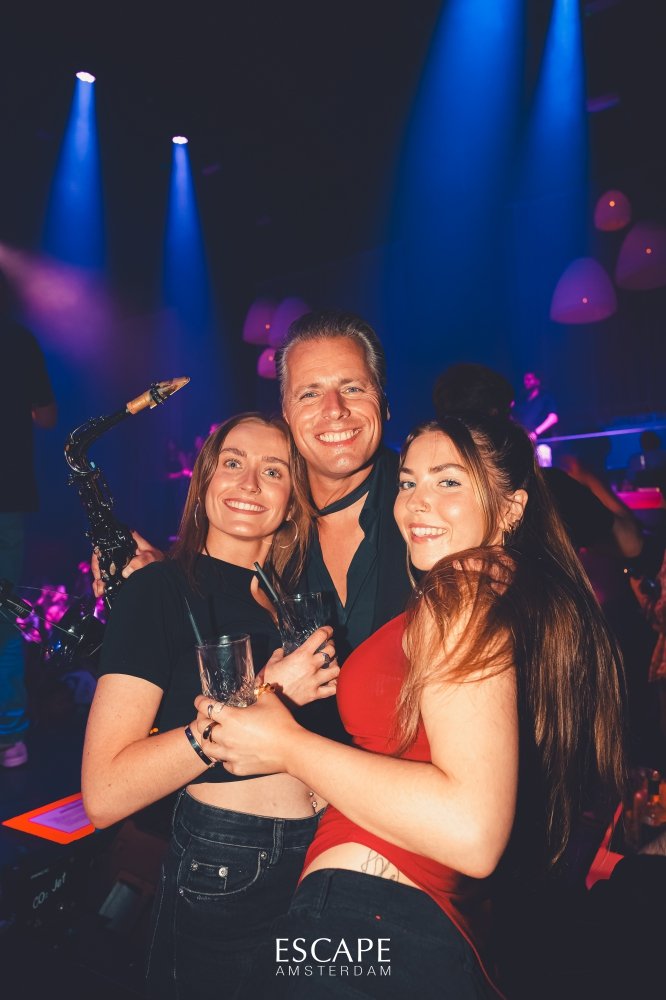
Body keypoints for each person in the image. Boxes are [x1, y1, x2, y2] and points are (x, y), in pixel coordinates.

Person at [193, 414, 626, 998]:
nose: (417, 502)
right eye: (407, 482)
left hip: (364, 915)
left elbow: (471, 831)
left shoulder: (460, 594)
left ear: (512, 507)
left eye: (447, 481)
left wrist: (288, 746)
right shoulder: (512, 594)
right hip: (399, 920)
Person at [81, 413, 340, 998]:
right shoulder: (157, 590)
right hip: (228, 861)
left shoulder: (289, 601)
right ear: (204, 484)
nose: (249, 483)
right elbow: (104, 793)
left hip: (317, 854)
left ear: (292, 501)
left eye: (273, 471)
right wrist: (268, 692)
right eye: (233, 463)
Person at [0, 268, 57, 768]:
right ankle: (10, 737)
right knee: (2, 616)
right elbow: (46, 416)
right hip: (8, 495)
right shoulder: (18, 340)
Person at [513, 370, 559, 443]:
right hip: (525, 441)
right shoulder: (522, 400)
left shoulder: (546, 397)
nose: (526, 382)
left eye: (529, 379)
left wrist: (535, 433)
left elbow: (553, 418)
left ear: (537, 381)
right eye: (525, 380)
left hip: (542, 441)